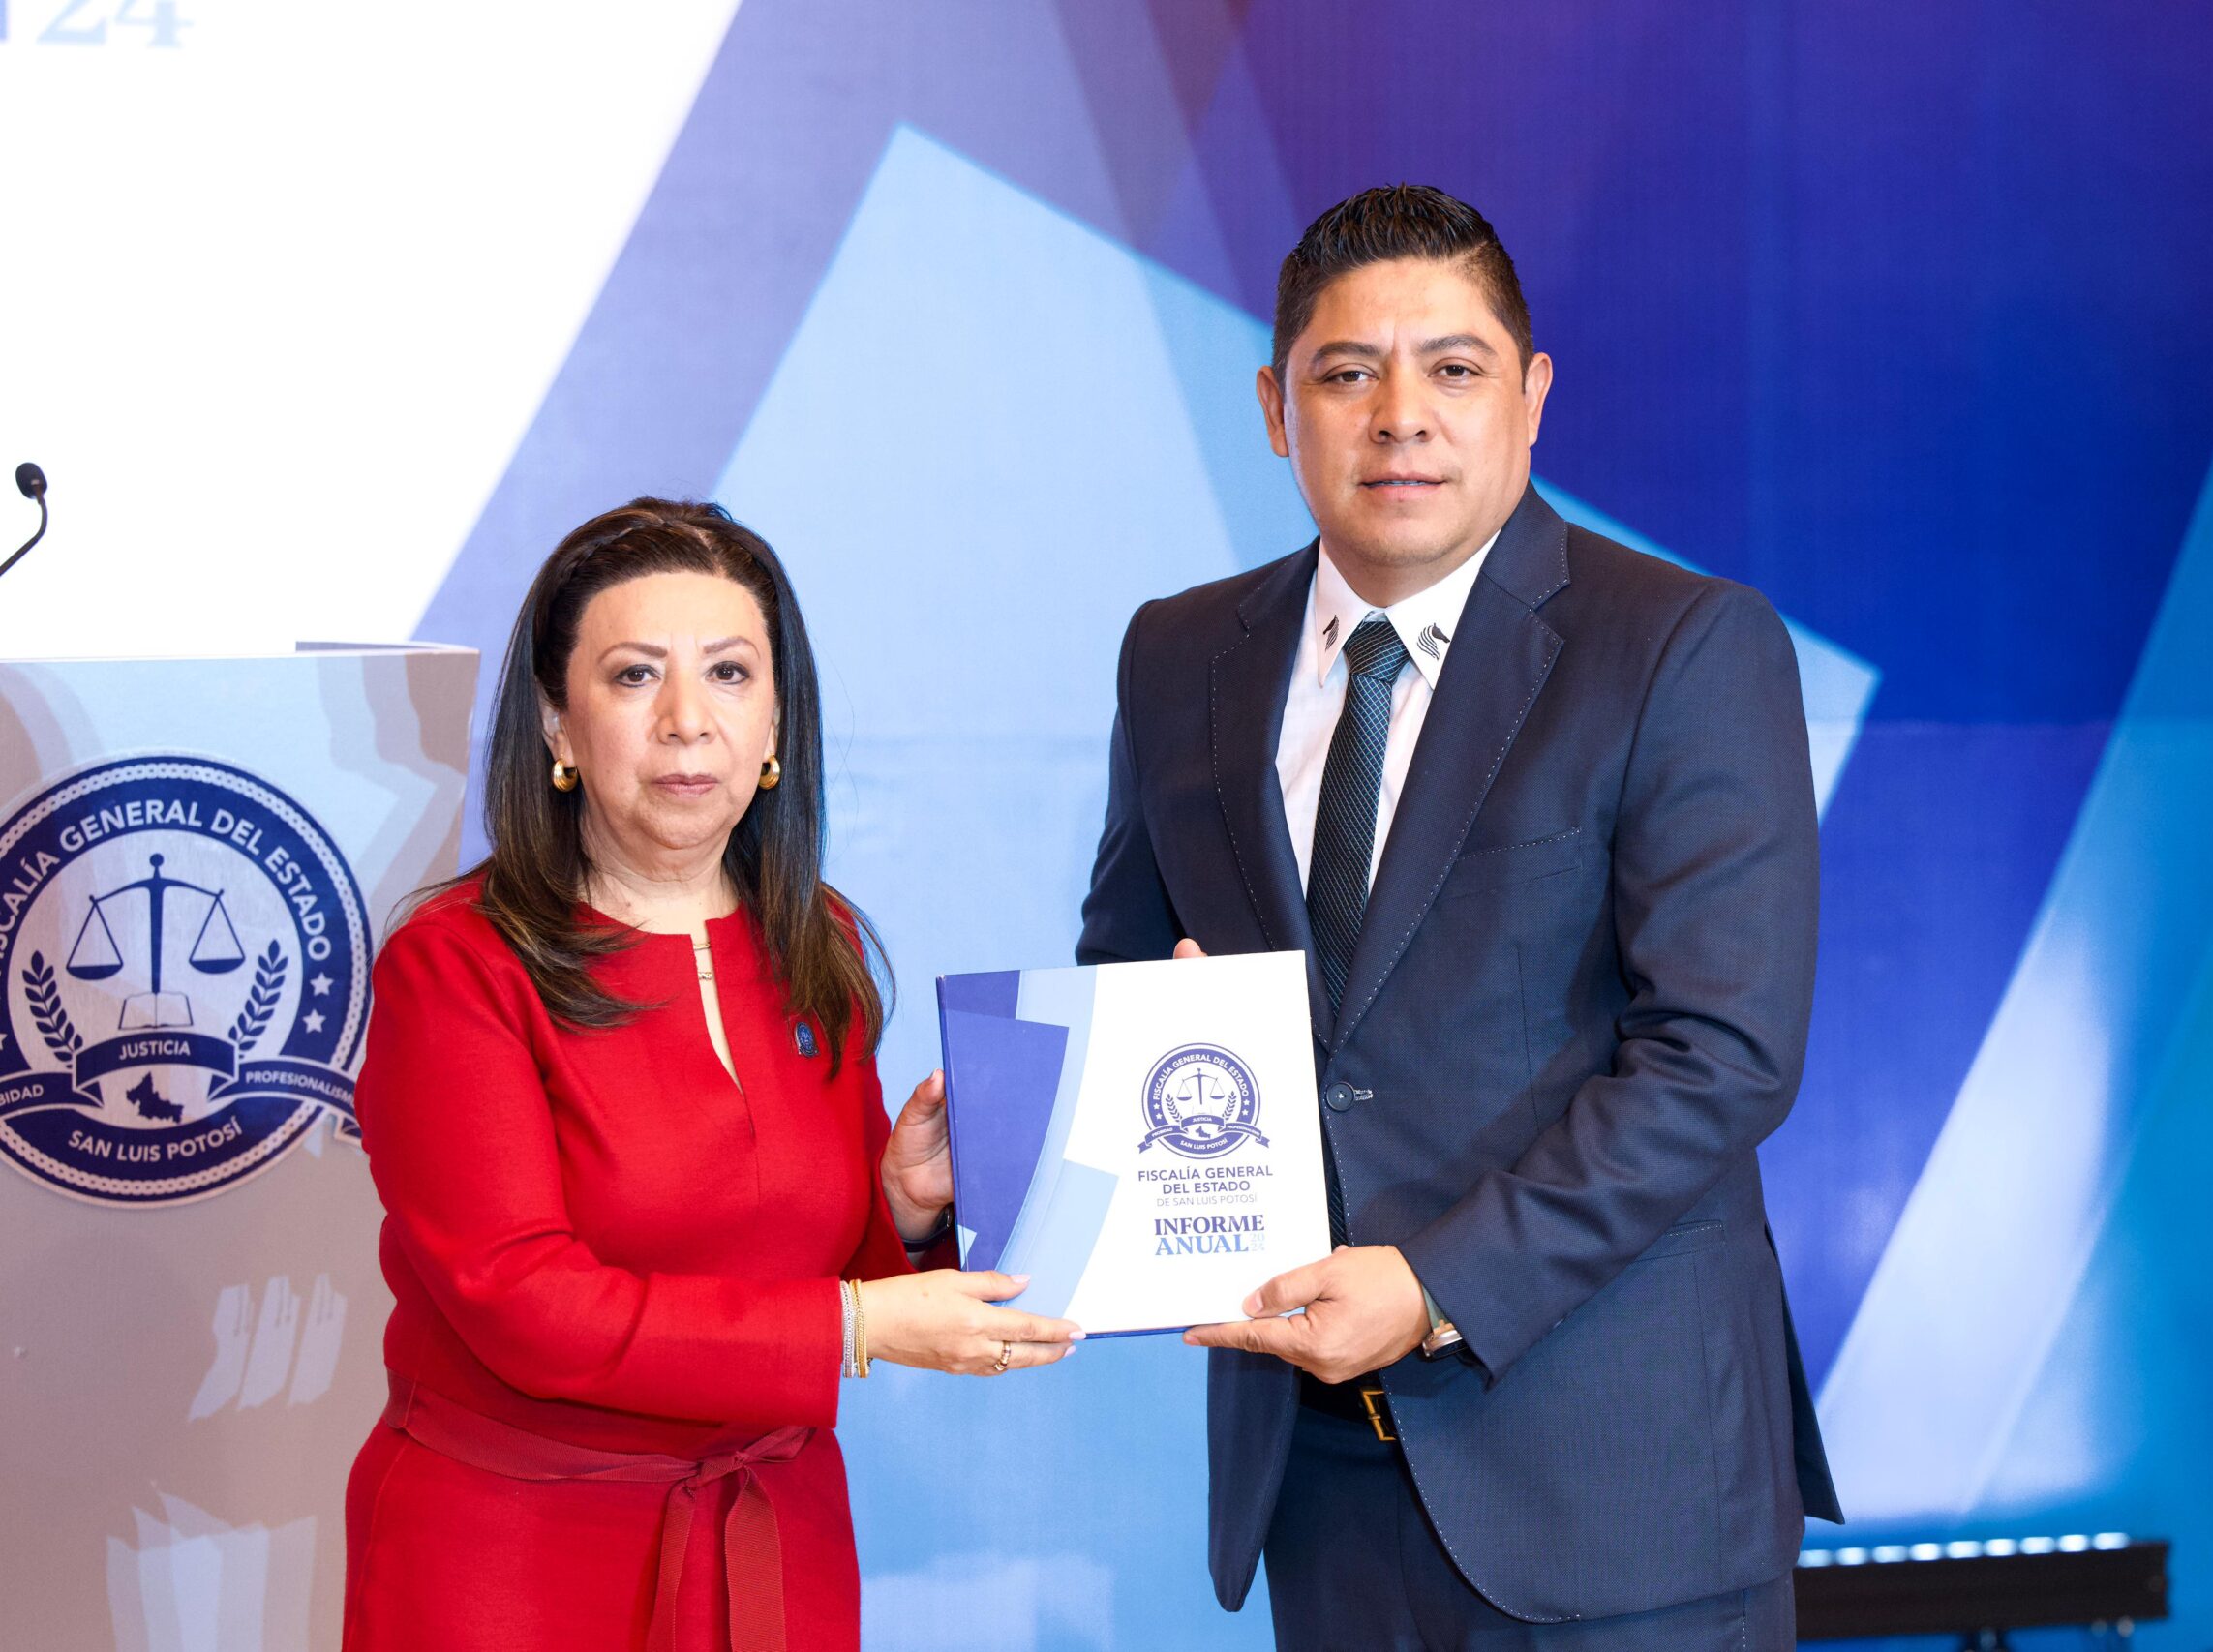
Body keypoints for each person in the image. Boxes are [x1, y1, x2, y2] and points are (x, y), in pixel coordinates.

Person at [1077, 187, 1841, 1649]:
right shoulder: (1178, 655)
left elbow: (1721, 1056)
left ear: (1531, 396)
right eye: (1346, 373)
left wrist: (1435, 1286)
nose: (1400, 418)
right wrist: (1004, 1163)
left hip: (1618, 1487)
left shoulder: (1679, 645)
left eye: (1453, 367)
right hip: (1318, 1483)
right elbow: (1131, 981)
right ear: (1275, 407)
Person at [344, 499, 1081, 1652]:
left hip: (775, 1543)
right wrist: (854, 1326)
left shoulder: (817, 937)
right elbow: (528, 1307)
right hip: (514, 1559)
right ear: (558, 723)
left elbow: (812, 1261)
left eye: (730, 674)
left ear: (776, 719)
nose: (688, 721)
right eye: (635, 676)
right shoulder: (456, 966)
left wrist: (899, 1209)